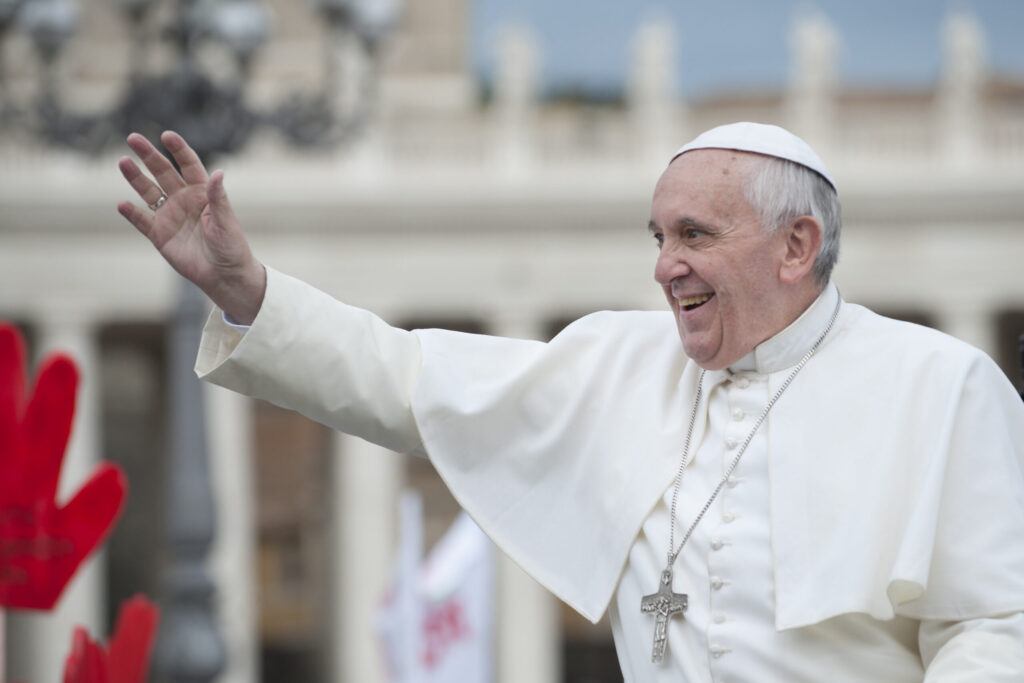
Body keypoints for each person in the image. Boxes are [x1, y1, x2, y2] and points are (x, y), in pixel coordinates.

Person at [118, 122, 1024, 681]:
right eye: (659, 234)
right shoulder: (617, 361)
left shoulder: (941, 386)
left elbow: (995, 628)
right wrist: (249, 292)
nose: (665, 264)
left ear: (796, 246)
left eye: (696, 235)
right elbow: (403, 378)